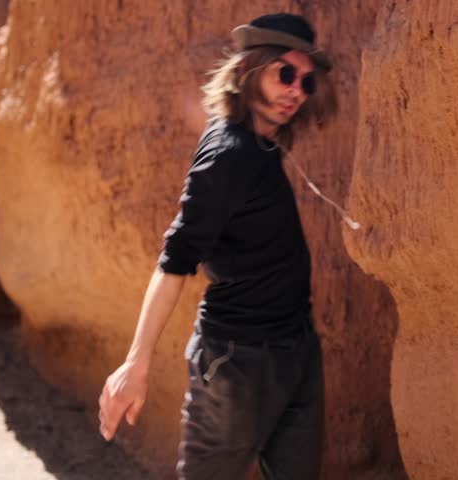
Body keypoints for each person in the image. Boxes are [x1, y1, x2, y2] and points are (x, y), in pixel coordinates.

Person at [97, 13, 341, 480]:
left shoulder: (261, 145)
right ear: (251, 69)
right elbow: (175, 259)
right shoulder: (228, 152)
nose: (295, 90)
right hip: (237, 362)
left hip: (295, 352)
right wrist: (136, 362)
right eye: (284, 74)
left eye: (306, 81)